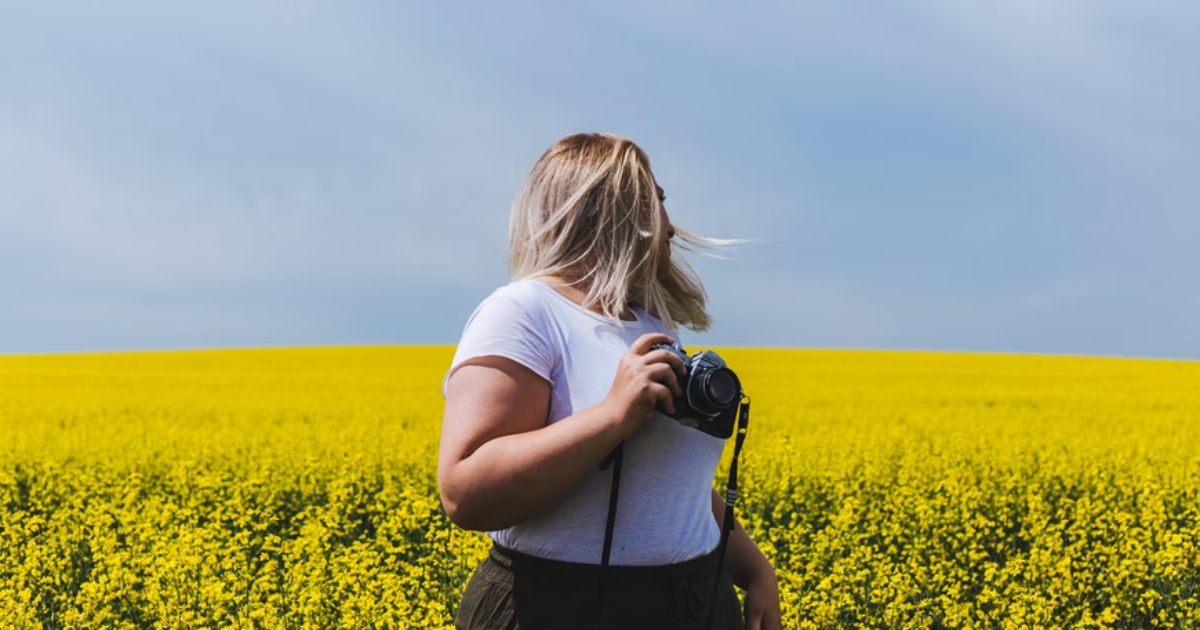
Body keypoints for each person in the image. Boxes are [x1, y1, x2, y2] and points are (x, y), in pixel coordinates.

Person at [439, 132, 782, 630]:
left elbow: (674, 488)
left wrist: (753, 570)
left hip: (694, 601)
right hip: (558, 606)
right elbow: (465, 493)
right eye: (657, 199)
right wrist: (611, 417)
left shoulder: (652, 327)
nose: (671, 225)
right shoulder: (523, 312)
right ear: (615, 206)